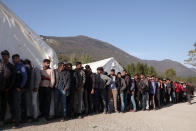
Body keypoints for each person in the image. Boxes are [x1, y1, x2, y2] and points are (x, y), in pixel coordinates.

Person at [12, 54, 27, 128]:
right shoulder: (14, 66)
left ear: (19, 59)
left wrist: (20, 87)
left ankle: (17, 123)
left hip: (18, 89)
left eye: (16, 58)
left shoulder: (21, 66)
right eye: (13, 59)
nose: (14, 60)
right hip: (14, 88)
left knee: (17, 106)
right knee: (16, 105)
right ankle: (18, 120)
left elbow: (25, 77)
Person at [0, 50, 14, 125]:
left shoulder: (11, 66)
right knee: (2, 105)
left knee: (9, 105)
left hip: (8, 90)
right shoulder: (1, 65)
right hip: (1, 89)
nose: (4, 57)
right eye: (2, 56)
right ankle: (1, 119)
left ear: (8, 56)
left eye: (5, 55)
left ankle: (13, 119)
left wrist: (9, 88)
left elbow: (13, 79)